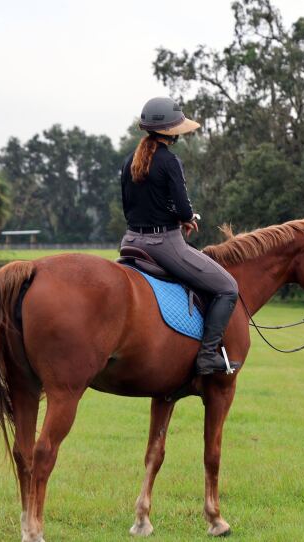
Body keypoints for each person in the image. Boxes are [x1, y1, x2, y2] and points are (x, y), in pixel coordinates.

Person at [120, 96, 238, 375]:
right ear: (172, 132)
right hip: (164, 244)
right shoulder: (170, 161)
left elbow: (132, 206)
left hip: (130, 241)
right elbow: (184, 208)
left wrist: (174, 216)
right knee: (227, 288)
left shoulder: (129, 162)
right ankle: (208, 356)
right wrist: (188, 218)